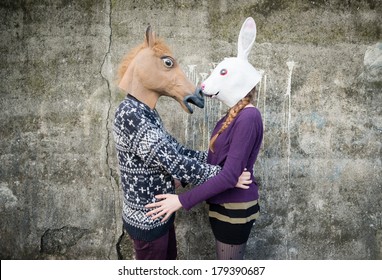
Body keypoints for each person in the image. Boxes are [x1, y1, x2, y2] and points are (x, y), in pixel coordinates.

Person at [146, 17, 263, 260]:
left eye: (221, 73)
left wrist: (181, 201)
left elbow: (230, 175)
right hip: (223, 205)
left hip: (235, 207)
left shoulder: (248, 117)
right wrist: (183, 179)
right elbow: (216, 161)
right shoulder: (233, 115)